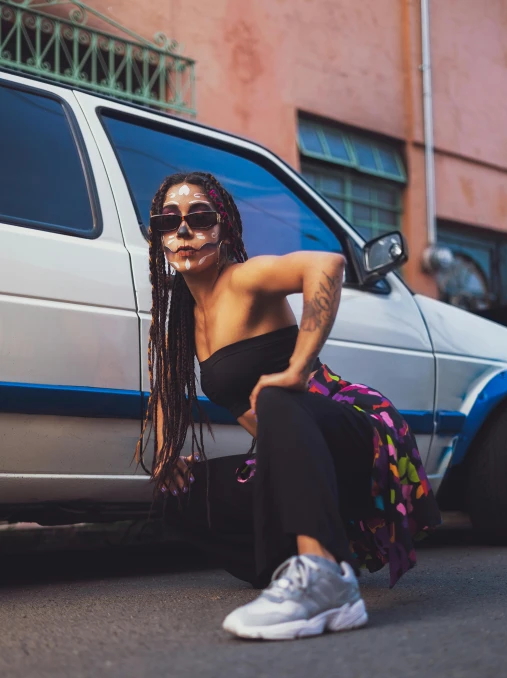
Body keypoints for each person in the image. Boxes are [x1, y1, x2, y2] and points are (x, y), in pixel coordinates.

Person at [140, 171, 441, 641]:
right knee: (178, 494)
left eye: (199, 217)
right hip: (290, 466)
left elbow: (326, 263)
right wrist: (165, 452)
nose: (183, 232)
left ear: (223, 227)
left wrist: (298, 367)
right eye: (168, 220)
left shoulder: (243, 278)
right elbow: (165, 388)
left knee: (279, 396)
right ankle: (290, 565)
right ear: (157, 234)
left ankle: (322, 576)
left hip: (353, 434)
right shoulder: (181, 315)